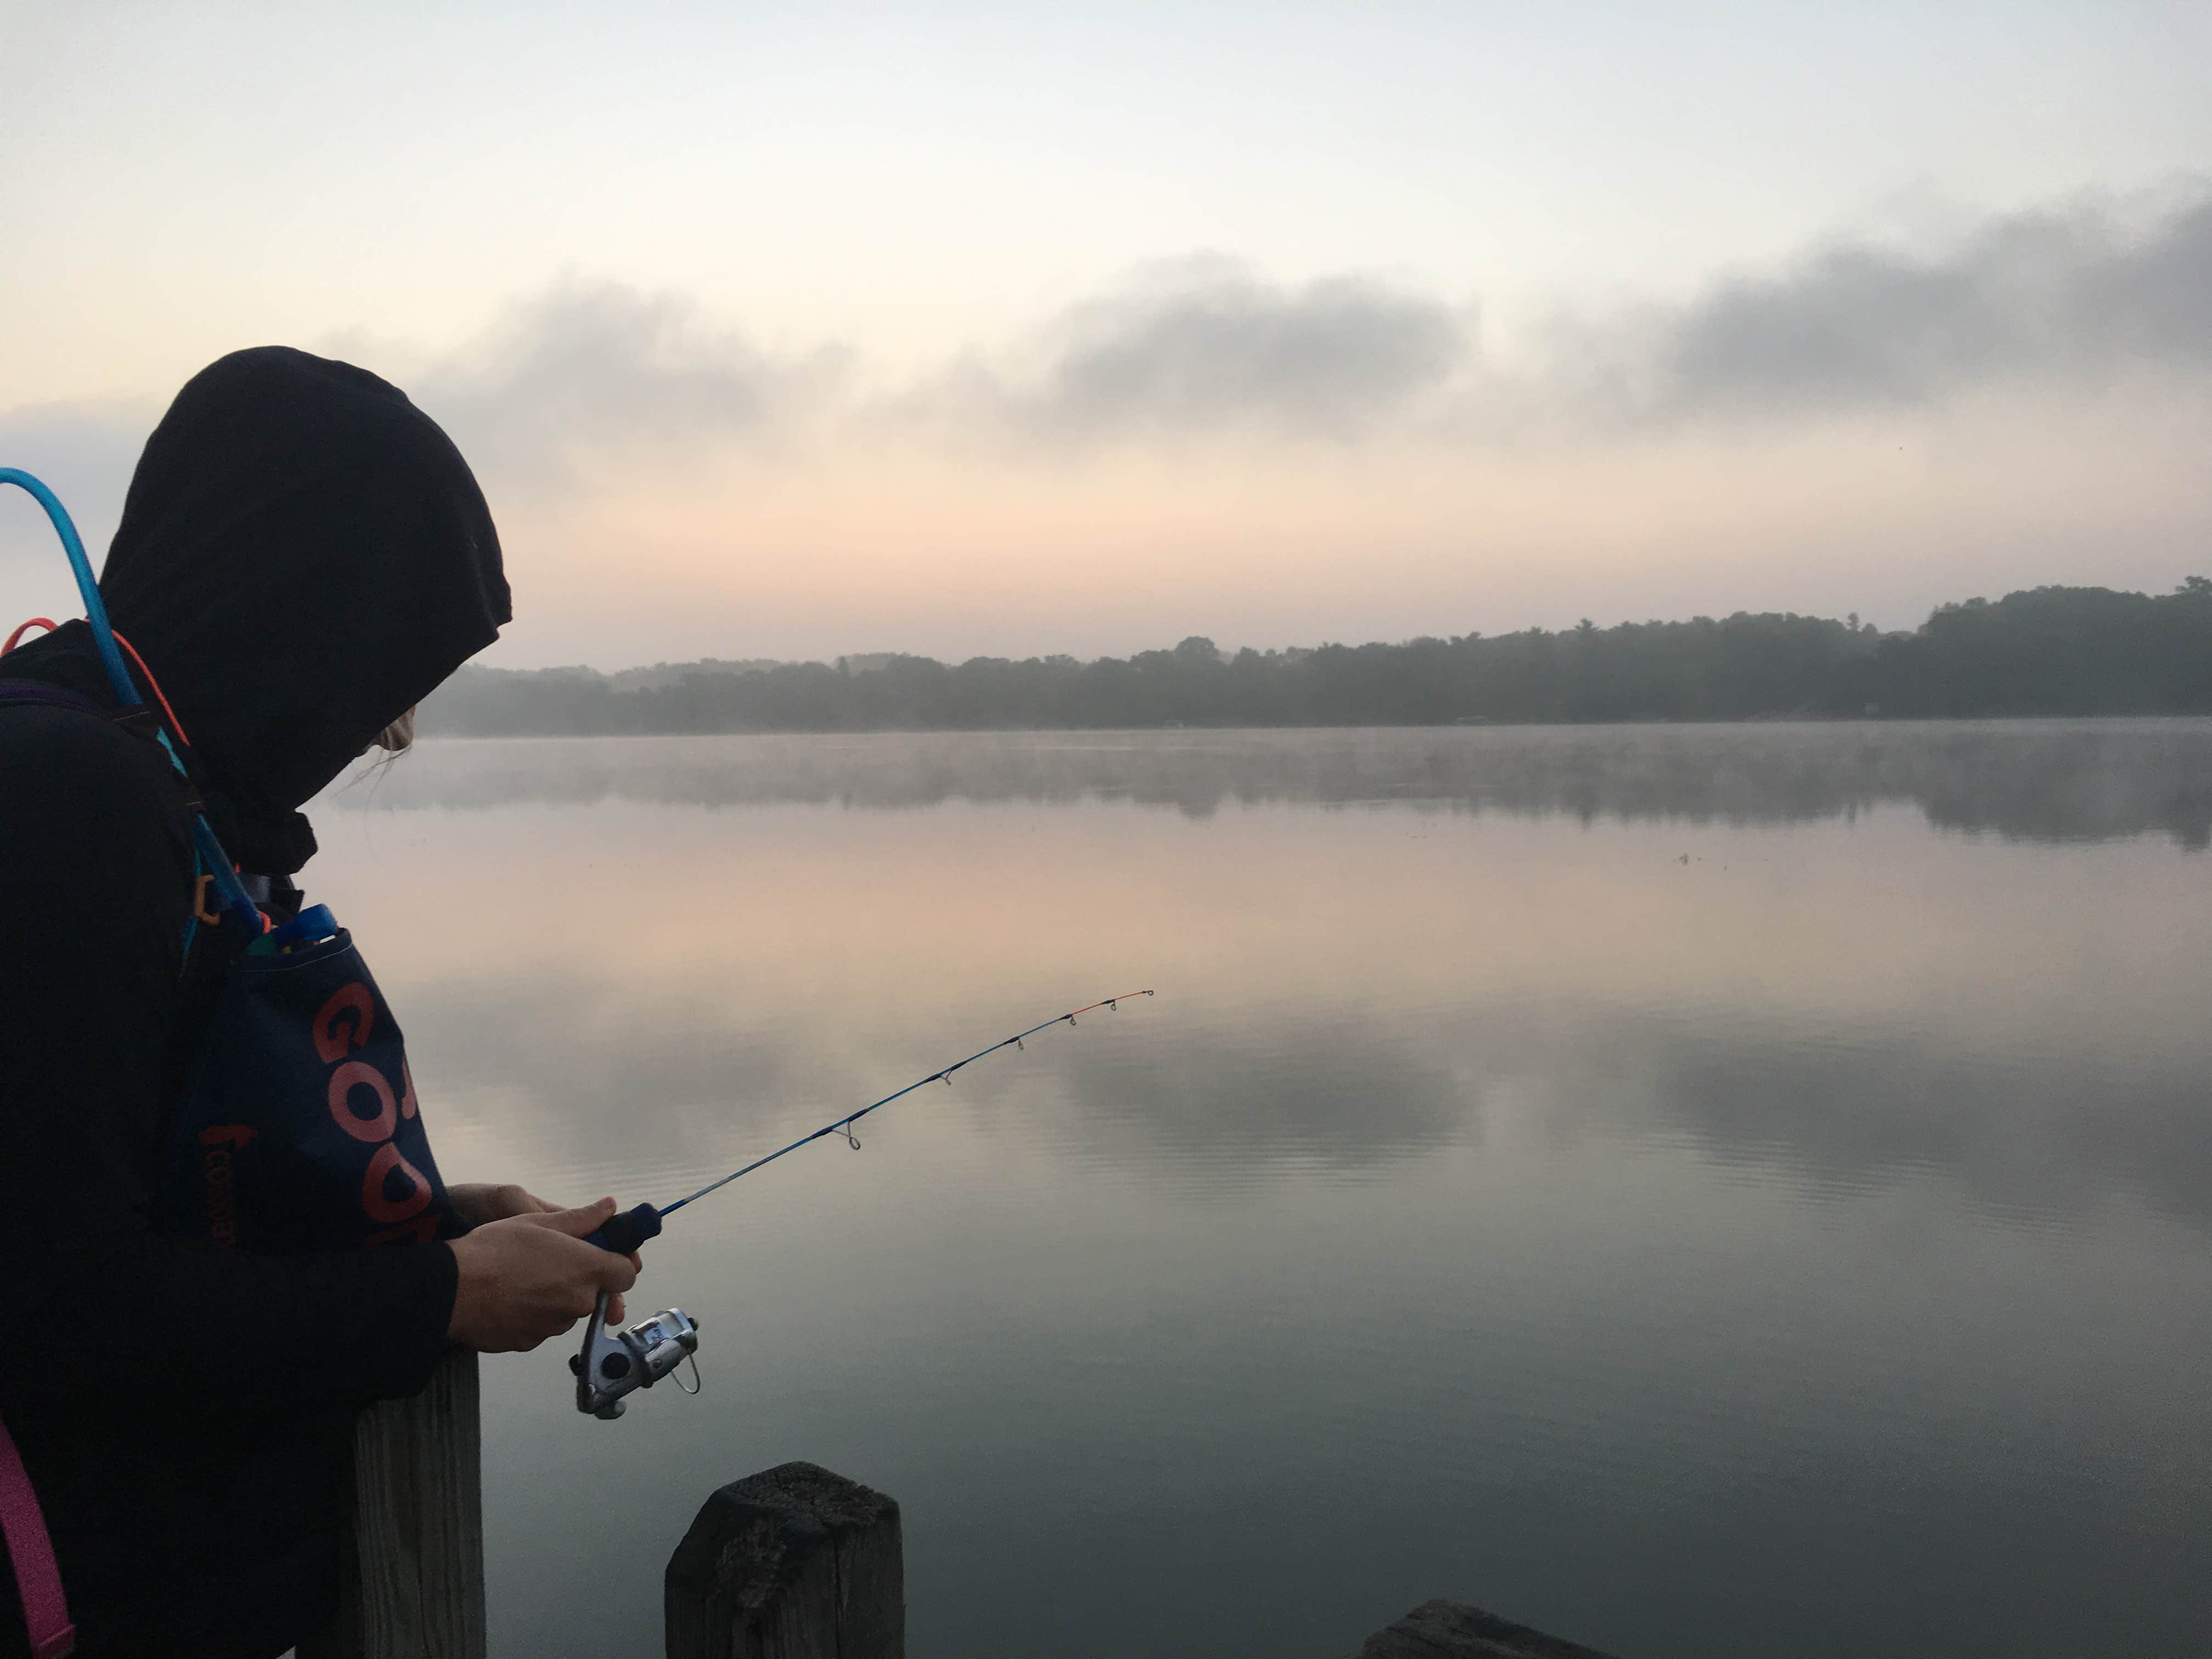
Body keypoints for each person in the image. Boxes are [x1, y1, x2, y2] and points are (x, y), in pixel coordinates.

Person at [0, 348, 639, 1658]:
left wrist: (423, 1223)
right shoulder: (68, 804)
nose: (382, 728)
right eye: (382, 669)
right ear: (303, 605)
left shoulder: (165, 795)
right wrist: (439, 1299)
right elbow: (61, 1306)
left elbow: (135, 1181)